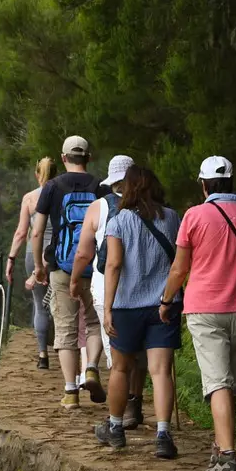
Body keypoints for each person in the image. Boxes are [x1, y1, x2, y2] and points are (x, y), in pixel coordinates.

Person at [161, 155, 236, 471]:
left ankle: (228, 456)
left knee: (218, 383)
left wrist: (166, 300)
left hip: (205, 309)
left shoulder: (194, 216)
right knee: (230, 384)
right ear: (232, 182)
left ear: (204, 184)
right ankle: (221, 446)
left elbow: (180, 268)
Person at [95, 163, 183, 460]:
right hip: (163, 304)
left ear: (128, 188)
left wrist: (107, 308)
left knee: (121, 368)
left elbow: (114, 265)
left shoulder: (119, 221)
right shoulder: (172, 218)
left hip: (127, 305)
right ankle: (162, 434)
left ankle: (116, 428)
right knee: (160, 371)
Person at [32, 136, 106, 411]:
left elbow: (37, 230)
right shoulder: (100, 187)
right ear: (88, 157)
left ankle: (70, 392)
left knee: (65, 329)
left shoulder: (52, 187)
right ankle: (91, 368)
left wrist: (39, 265)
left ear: (63, 158)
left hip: (62, 267)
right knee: (94, 322)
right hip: (94, 268)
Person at [74, 154, 142, 425]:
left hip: (106, 290)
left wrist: (74, 279)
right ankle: (134, 404)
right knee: (139, 354)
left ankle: (119, 414)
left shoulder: (99, 207)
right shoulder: (148, 206)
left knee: (117, 356)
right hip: (142, 288)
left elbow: (83, 251)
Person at [6, 156, 56, 369]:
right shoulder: (62, 194)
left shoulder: (29, 199)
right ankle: (62, 346)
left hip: (32, 255)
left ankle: (43, 355)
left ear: (37, 174)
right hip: (57, 255)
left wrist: (11, 258)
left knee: (39, 304)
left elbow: (21, 233)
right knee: (61, 302)